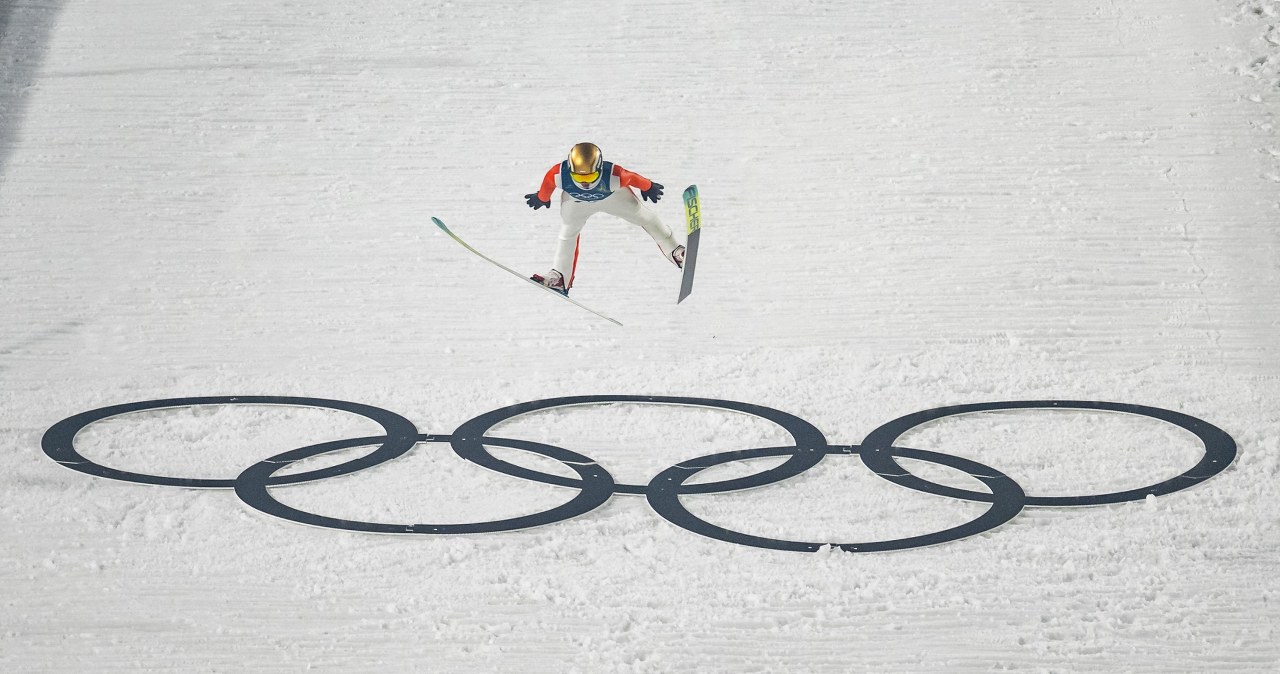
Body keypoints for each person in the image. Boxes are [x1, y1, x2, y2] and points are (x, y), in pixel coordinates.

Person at [524, 142, 684, 295]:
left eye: (591, 176)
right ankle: (560, 278)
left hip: (613, 198)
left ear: (600, 169)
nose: (585, 182)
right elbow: (548, 182)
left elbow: (632, 178)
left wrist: (648, 186)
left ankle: (675, 251)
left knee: (647, 218)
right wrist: (542, 197)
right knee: (567, 233)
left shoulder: (614, 175)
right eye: (579, 178)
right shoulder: (559, 173)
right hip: (576, 202)